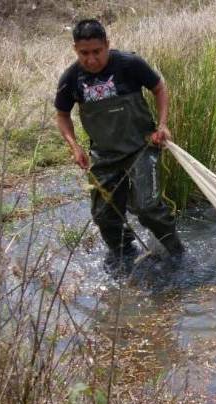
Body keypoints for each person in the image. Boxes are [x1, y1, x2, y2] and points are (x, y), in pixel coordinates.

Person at [55, 19, 183, 273]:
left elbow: (159, 88)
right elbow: (62, 115)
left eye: (96, 52)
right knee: (104, 216)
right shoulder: (71, 78)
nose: (91, 59)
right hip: (104, 156)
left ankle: (176, 253)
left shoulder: (129, 64)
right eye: (84, 53)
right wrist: (75, 147)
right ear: (75, 50)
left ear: (107, 45)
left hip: (142, 148)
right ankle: (125, 255)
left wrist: (163, 124)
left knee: (147, 208)